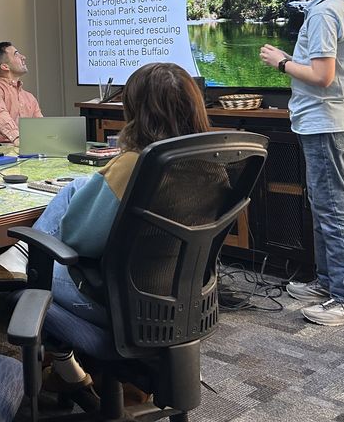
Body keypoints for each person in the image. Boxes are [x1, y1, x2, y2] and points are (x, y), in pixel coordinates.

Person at [26, 62, 214, 397]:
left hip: (120, 304)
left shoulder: (132, 165)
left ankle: (62, 361)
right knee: (76, 189)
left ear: (136, 111)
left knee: (30, 278)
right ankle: (73, 371)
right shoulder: (211, 164)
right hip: (184, 301)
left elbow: (79, 240)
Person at [260, 0, 344, 326]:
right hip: (321, 122)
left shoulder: (323, 12)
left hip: (325, 122)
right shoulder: (327, 9)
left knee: (334, 208)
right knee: (324, 206)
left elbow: (322, 76)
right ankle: (329, 284)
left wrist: (282, 63)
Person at [0, 41, 43, 147]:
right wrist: (17, 139)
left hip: (23, 149)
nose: (23, 57)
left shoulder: (29, 97)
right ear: (5, 66)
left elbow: (41, 128)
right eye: (16, 54)